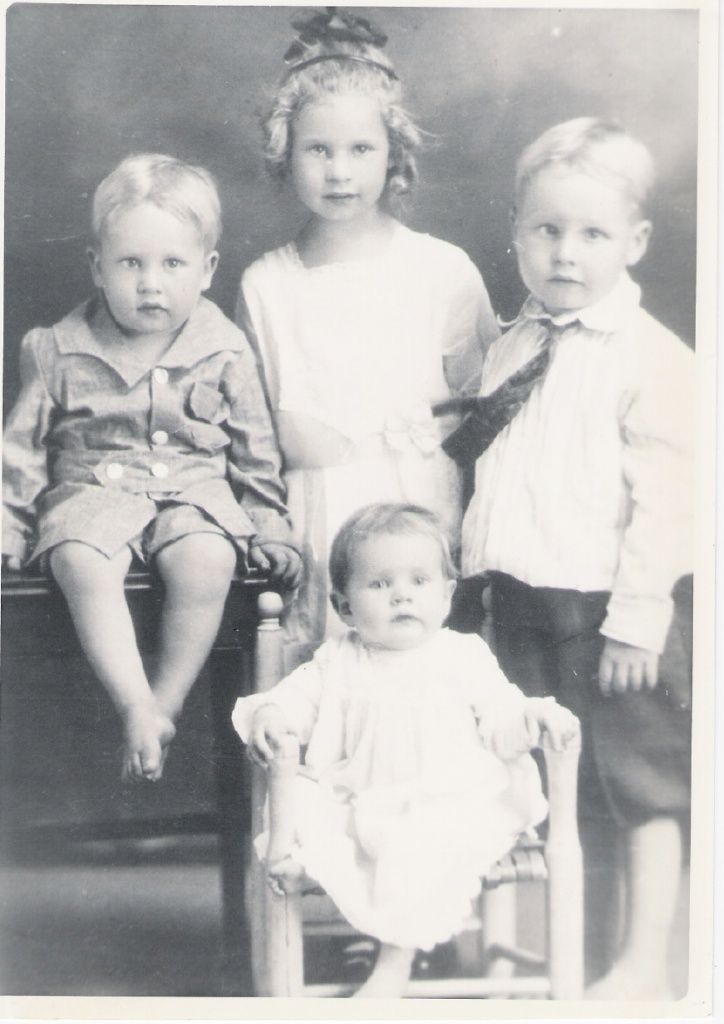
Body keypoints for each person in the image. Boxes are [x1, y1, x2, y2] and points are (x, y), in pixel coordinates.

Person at [451, 118, 694, 999]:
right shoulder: (514, 342)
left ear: (635, 241)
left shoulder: (650, 357)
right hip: (524, 602)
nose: (566, 253)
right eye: (546, 230)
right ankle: (570, 963)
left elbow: (673, 500)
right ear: (516, 233)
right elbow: (492, 469)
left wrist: (638, 622)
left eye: (593, 234)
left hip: (609, 613)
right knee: (558, 787)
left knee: (640, 786)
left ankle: (644, 963)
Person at [2, 153, 301, 783]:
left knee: (209, 558)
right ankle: (133, 701)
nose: (150, 284)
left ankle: (166, 701)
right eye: (130, 263)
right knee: (82, 560)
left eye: (172, 264)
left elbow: (256, 455)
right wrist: (8, 524)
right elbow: (22, 449)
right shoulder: (58, 348)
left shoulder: (225, 348)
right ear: (97, 267)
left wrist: (270, 528)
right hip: (91, 492)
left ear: (208, 269)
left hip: (193, 495)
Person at [237, 10, 499, 667]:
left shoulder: (442, 271)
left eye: (360, 150)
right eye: (317, 149)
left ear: (393, 153)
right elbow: (251, 430)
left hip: (421, 511)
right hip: (320, 517)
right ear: (285, 152)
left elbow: (485, 415)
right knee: (329, 679)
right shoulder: (267, 285)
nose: (339, 172)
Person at [233, 503, 579, 997]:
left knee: (419, 842)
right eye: (380, 584)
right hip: (357, 802)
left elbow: (501, 718)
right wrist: (271, 714)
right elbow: (294, 701)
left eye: (419, 581)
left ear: (446, 595)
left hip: (449, 802)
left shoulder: (462, 656)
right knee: (299, 803)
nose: (401, 595)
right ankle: (311, 859)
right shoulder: (338, 659)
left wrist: (530, 718)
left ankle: (392, 967)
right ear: (344, 607)